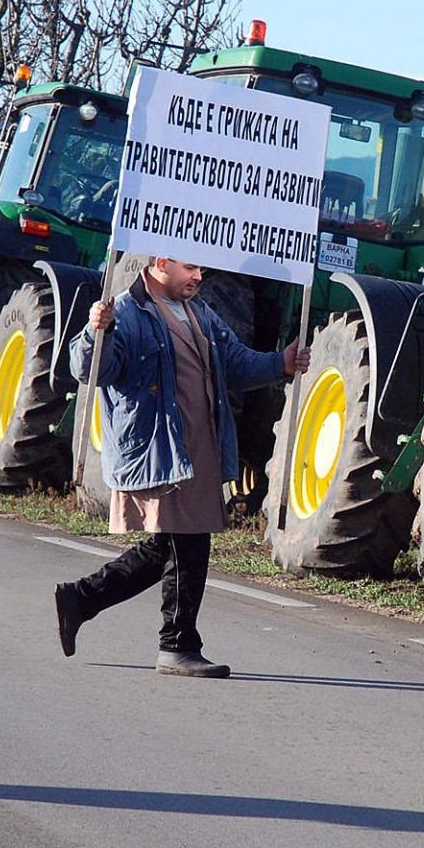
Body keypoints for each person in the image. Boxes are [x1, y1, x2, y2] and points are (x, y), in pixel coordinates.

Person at [53, 256, 309, 678]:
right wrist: (95, 332)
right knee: (186, 546)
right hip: (160, 449)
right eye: (190, 267)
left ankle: (81, 599)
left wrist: (280, 363)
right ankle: (177, 645)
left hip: (199, 450)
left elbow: (234, 363)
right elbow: (91, 370)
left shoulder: (199, 311)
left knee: (168, 547)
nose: (199, 276)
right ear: (161, 262)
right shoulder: (126, 313)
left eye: (201, 269)